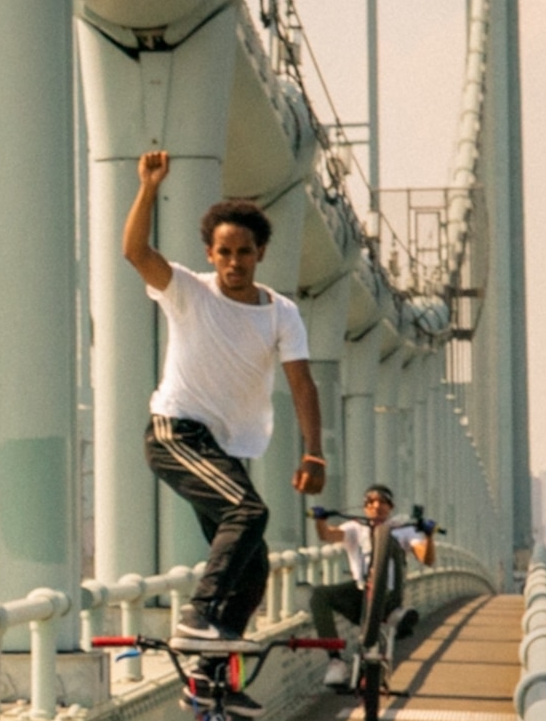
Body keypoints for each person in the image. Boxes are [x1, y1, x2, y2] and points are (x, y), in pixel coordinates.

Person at [120, 149, 324, 646]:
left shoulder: (281, 313)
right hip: (175, 432)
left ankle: (214, 678)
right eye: (225, 252)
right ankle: (198, 614)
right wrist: (148, 187)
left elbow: (301, 383)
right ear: (210, 254)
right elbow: (135, 253)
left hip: (223, 448)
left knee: (253, 568)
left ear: (260, 254)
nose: (235, 263)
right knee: (247, 513)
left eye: (245, 253)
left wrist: (314, 450)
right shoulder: (189, 290)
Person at [309, 482, 423, 691]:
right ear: (364, 507)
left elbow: (425, 556)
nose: (376, 506)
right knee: (319, 595)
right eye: (371, 502)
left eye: (382, 502)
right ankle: (336, 661)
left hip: (388, 594)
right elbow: (327, 535)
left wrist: (428, 537)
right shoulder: (355, 528)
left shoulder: (402, 529)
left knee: (393, 558)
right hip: (360, 593)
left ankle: (394, 613)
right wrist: (320, 520)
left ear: (391, 507)